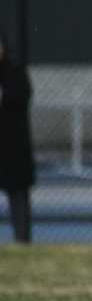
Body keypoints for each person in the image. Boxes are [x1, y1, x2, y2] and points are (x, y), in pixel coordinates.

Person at [0, 26, 34, 244]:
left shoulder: (14, 71)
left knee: (18, 195)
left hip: (11, 148)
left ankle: (22, 241)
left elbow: (22, 95)